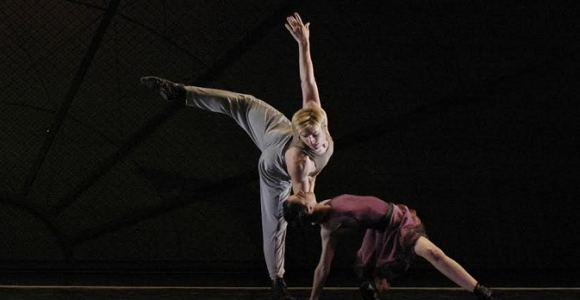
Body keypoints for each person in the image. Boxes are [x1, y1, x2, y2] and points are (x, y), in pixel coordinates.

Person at [140, 13, 333, 300]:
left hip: (278, 137)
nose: (312, 140)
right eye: (305, 136)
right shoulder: (299, 159)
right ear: (300, 132)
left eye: (314, 135)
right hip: (276, 159)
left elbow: (308, 79)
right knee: (243, 105)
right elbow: (304, 194)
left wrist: (303, 43)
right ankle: (181, 93)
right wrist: (306, 205)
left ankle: (275, 280)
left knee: (248, 105)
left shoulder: (315, 113)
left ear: (319, 123)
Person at [283, 192, 499, 300]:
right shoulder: (328, 230)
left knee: (433, 253)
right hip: (383, 233)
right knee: (430, 253)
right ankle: (371, 286)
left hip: (398, 218)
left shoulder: (326, 202)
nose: (303, 191)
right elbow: (323, 268)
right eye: (300, 196)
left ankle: (479, 289)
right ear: (308, 209)